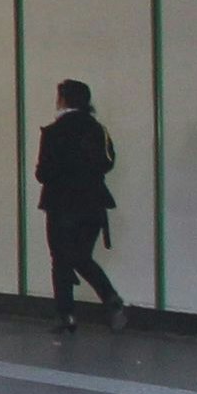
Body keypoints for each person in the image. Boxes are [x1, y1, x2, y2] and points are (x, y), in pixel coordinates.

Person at [36, 78, 127, 334]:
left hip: (61, 204)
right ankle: (110, 299)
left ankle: (66, 315)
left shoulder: (53, 132)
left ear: (63, 100)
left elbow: (43, 173)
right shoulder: (98, 130)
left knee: (60, 259)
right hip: (94, 203)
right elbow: (108, 162)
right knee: (81, 256)